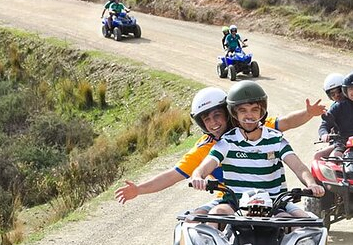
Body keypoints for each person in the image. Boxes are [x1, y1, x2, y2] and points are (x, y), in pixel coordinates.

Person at [114, 86, 325, 212]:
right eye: (206, 119)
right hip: (231, 201)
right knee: (191, 227)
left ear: (228, 112)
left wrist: (308, 114)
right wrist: (139, 189)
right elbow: (174, 175)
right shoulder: (206, 147)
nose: (213, 123)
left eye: (217, 115)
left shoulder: (254, 127)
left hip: (268, 200)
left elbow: (285, 122)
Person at [190, 81, 324, 217]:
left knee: (301, 225)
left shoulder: (276, 140)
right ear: (234, 114)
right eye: (243, 110)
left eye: (254, 109)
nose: (249, 115)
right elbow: (204, 168)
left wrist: (311, 184)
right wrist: (197, 177)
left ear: (262, 111)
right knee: (211, 216)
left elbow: (299, 167)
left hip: (274, 204)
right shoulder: (226, 142)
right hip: (235, 204)